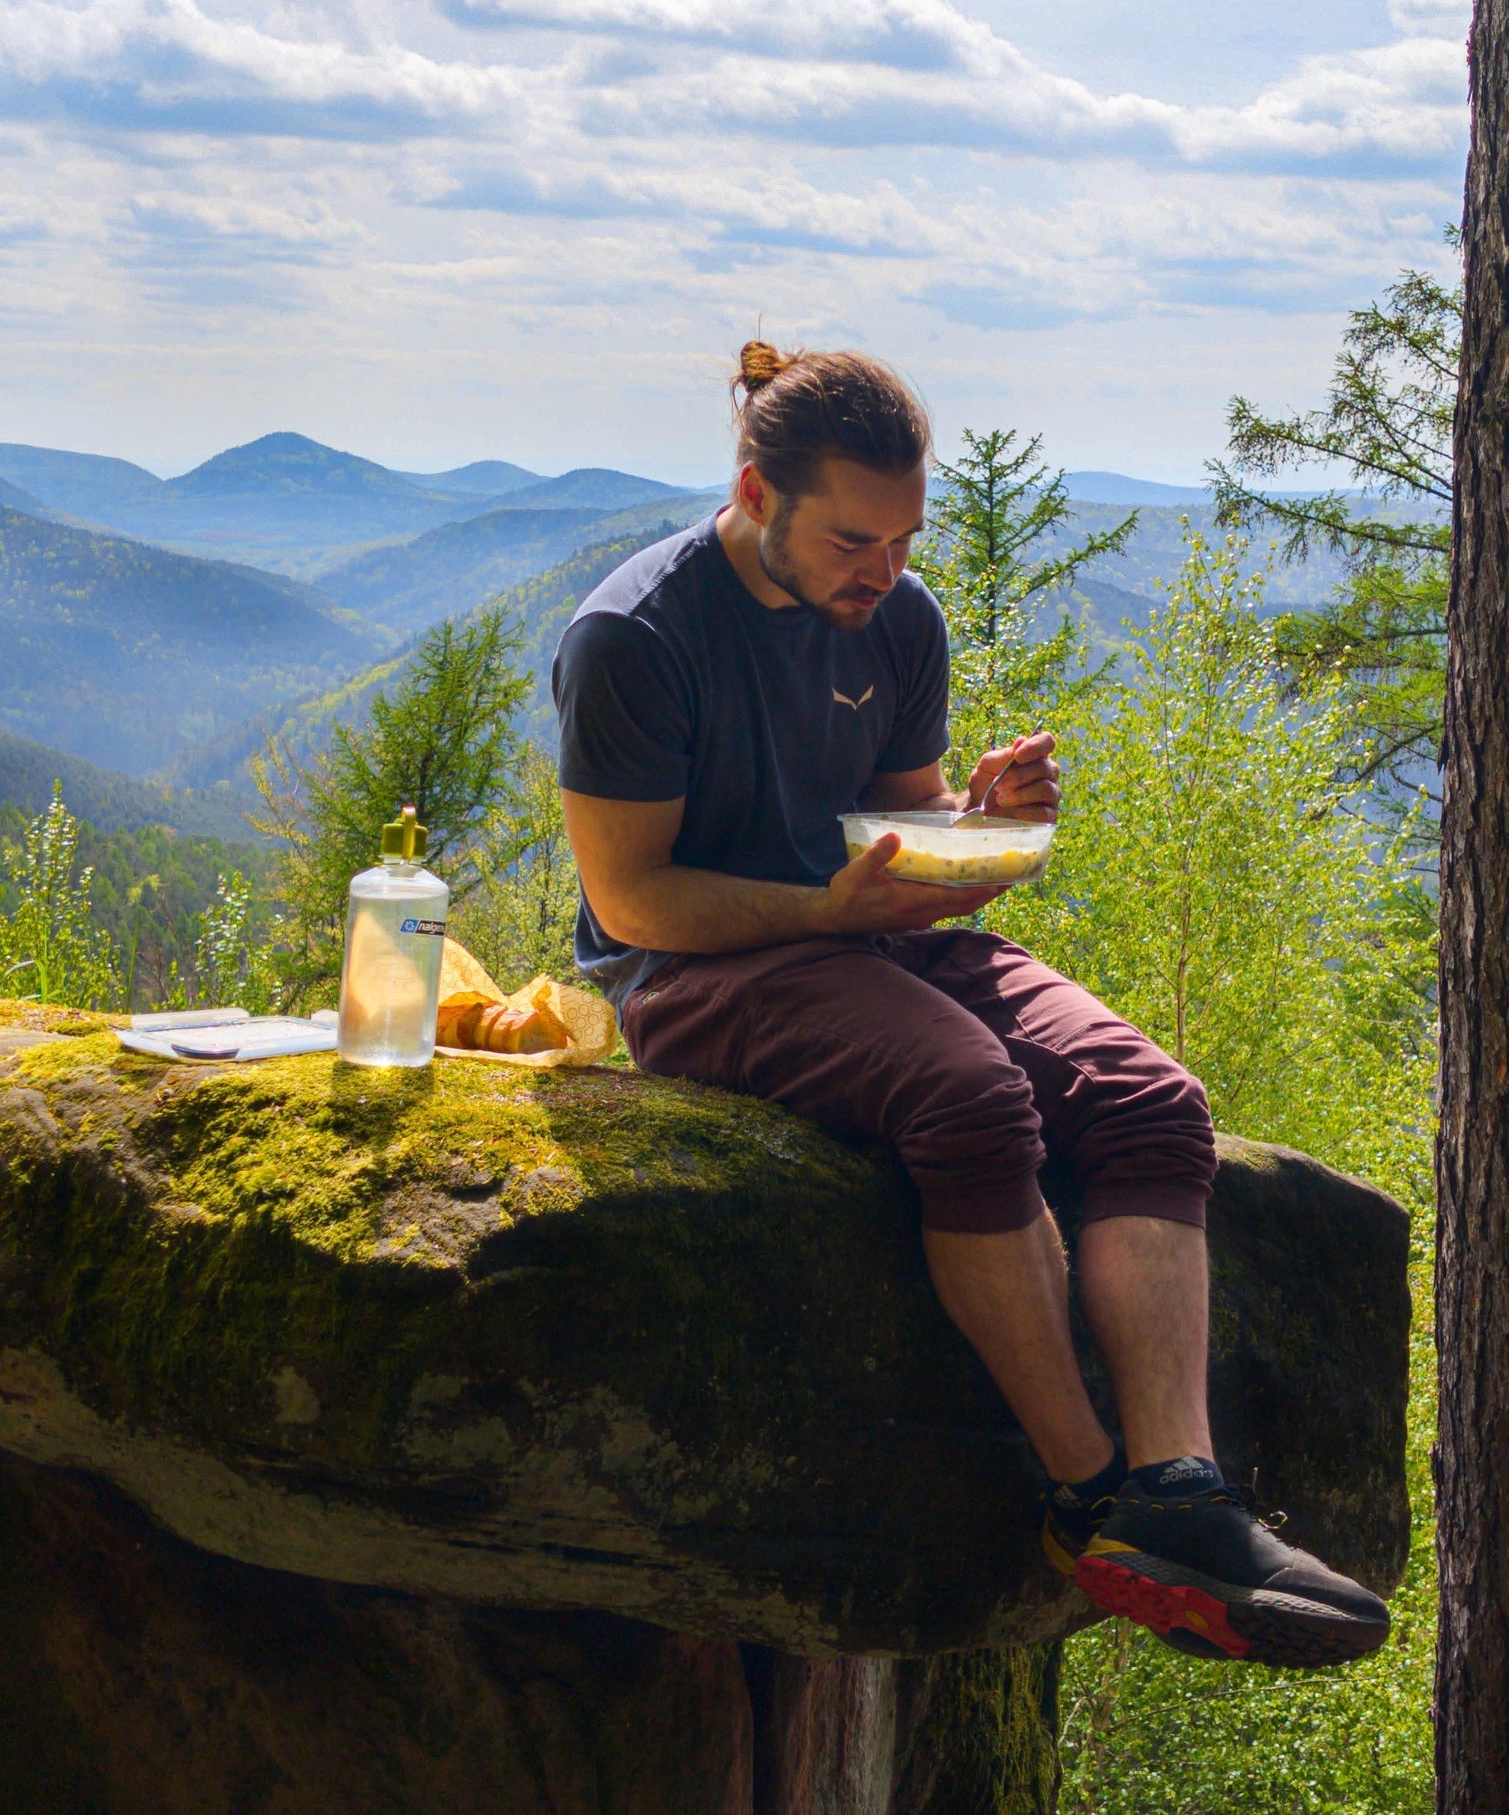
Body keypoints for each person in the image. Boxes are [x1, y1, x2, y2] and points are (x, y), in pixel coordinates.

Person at [550, 339, 1388, 1668]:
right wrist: (828, 909)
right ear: (756, 494)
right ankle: (1092, 1500)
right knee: (971, 1097)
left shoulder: (898, 618)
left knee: (1151, 1100)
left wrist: (978, 820)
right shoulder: (636, 639)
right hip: (700, 976)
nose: (882, 571)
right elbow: (633, 901)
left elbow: (902, 819)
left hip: (866, 936)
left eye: (903, 540)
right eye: (851, 541)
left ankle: (1182, 1495)